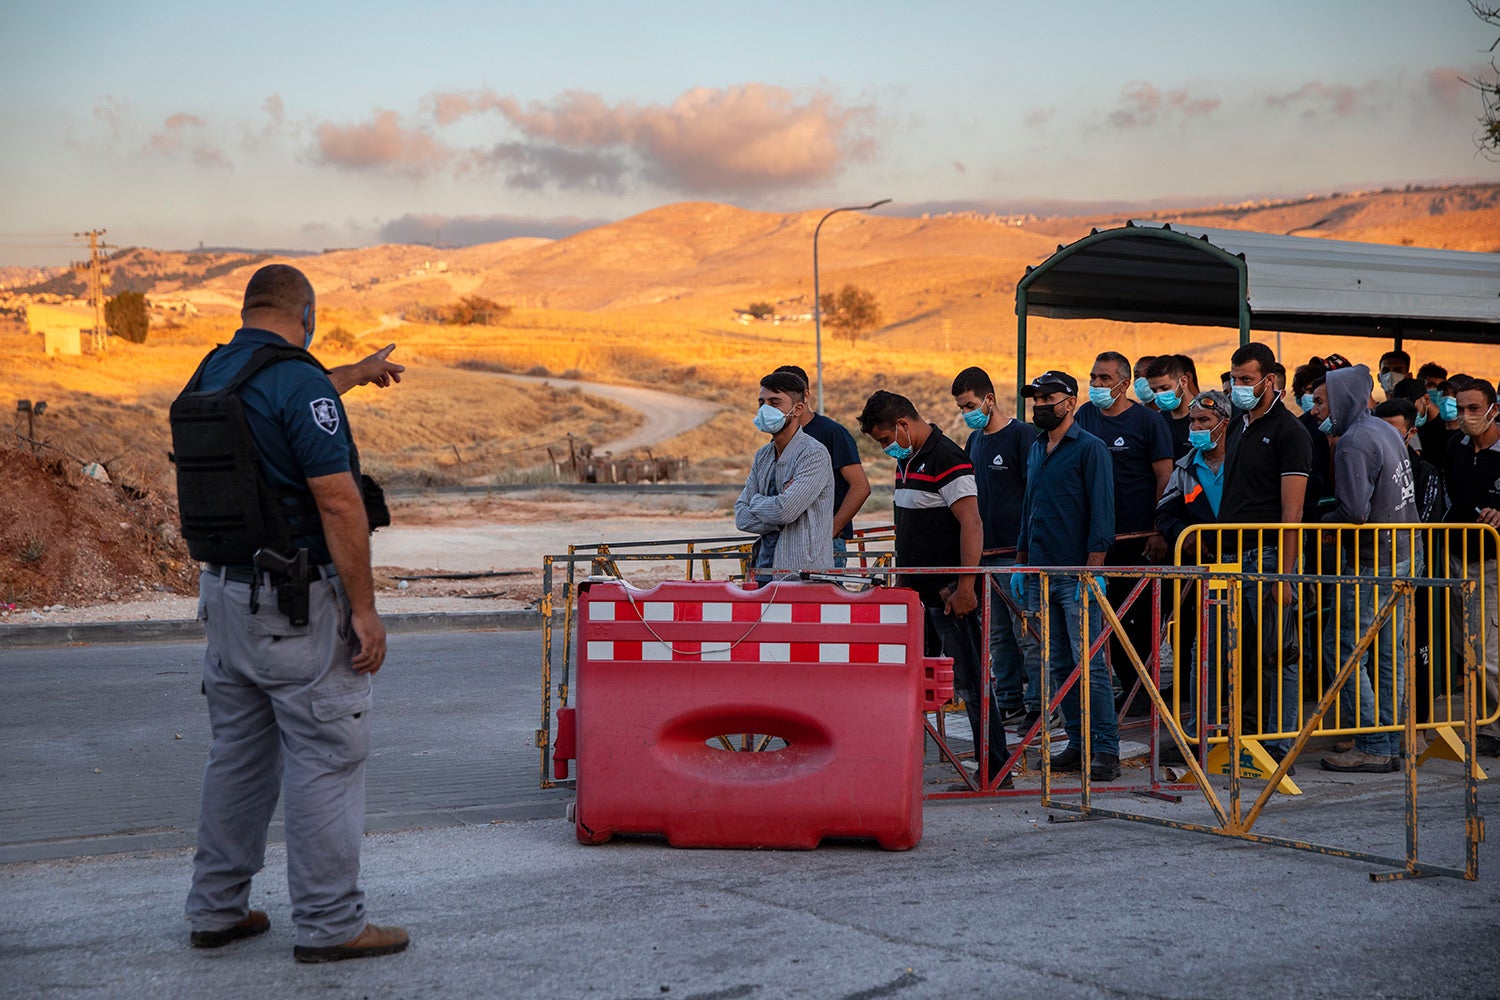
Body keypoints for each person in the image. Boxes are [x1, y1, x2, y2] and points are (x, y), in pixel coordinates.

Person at [182, 264, 409, 963]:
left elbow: (284, 397)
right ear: (305, 312)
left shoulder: (215, 372)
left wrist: (351, 374)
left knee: (239, 760)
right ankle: (332, 923)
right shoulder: (298, 381)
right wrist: (364, 611)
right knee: (328, 755)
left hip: (225, 595)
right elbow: (339, 502)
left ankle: (216, 910)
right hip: (295, 606)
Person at [858, 390, 1009, 780]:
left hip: (947, 596)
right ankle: (907, 762)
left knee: (972, 682)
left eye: (885, 440)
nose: (885, 448)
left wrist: (965, 588)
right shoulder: (908, 460)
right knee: (913, 679)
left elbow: (971, 524)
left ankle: (995, 770)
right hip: (917, 593)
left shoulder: (947, 459)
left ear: (903, 426)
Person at [1012, 370, 1120, 780]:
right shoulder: (1038, 448)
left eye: (1049, 397)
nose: (1040, 404)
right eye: (1035, 398)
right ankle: (1077, 742)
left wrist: (1093, 571)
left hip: (1075, 576)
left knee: (1089, 664)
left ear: (1070, 401)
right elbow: (1030, 506)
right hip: (1042, 572)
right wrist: (1023, 559)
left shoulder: (1090, 449)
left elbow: (1102, 513)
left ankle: (1105, 749)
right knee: (1059, 665)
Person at [1318, 363, 1419, 773]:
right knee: (1388, 654)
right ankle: (1390, 740)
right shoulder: (1383, 430)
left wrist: (1323, 524)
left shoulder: (1352, 442)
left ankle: (1373, 744)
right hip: (1405, 551)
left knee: (1342, 649)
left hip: (1372, 561)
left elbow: (1355, 512)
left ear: (1342, 400)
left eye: (1321, 400)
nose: (1314, 407)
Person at [1221, 342, 1312, 767]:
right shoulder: (1239, 425)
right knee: (1246, 653)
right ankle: (1251, 735)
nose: (1238, 387)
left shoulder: (1291, 432)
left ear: (1268, 380)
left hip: (1272, 557)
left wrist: (1286, 577)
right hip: (1237, 556)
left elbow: (1292, 510)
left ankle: (1281, 745)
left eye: (1245, 380)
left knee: (1282, 653)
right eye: (1234, 379)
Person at [1075, 351, 1173, 714]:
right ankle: (1127, 688)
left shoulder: (1148, 422)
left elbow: (1164, 476)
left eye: (1104, 378)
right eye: (1093, 377)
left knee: (1138, 619)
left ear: (1125, 382)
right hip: (1097, 538)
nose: (1097, 385)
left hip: (1137, 539)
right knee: (1104, 618)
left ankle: (1144, 692)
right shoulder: (1084, 415)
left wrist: (1157, 529)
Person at [951, 366, 1040, 727]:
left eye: (970, 404)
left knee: (1029, 633)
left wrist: (1025, 550)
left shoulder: (1022, 436)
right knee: (998, 635)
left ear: (989, 399)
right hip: (984, 554)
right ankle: (1009, 700)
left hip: (1014, 555)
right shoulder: (975, 441)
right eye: (960, 407)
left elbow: (1034, 494)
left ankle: (1038, 704)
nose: (966, 413)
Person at [1154, 390, 1232, 763]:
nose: (1197, 428)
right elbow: (1165, 514)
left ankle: (1237, 728)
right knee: (1196, 652)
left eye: (1204, 421)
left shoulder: (1244, 462)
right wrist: (1182, 540)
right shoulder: (1184, 468)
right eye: (1194, 422)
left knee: (1238, 652)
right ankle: (1197, 732)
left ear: (1224, 424)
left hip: (1238, 571)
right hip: (1195, 576)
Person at [1442, 378, 1500, 758]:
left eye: (1473, 409)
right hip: (1457, 559)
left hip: (1492, 562)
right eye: (1460, 409)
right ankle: (1488, 725)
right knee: (1465, 647)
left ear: (1493, 408)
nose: (1465, 417)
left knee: (1488, 652)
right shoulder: (1455, 448)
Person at [735, 370, 835, 581]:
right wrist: (779, 511)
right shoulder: (763, 456)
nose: (764, 409)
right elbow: (741, 517)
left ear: (797, 408)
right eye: (761, 402)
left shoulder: (813, 454)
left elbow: (784, 511)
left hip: (803, 577)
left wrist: (757, 501)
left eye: (775, 402)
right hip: (764, 571)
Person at [774, 365, 871, 567]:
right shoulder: (780, 437)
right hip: (787, 540)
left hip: (825, 543)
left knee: (822, 597)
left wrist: (832, 530)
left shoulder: (832, 433)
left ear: (805, 396)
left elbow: (860, 486)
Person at [1145, 353, 1200, 460]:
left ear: (1183, 382)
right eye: (1154, 390)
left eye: (1165, 388)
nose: (1159, 394)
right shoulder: (1157, 421)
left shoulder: (1205, 416)